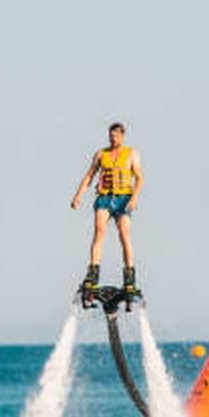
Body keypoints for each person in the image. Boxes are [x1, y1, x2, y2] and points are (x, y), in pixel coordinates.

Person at [70, 122, 143, 304]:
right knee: (99, 232)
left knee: (124, 233)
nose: (113, 139)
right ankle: (93, 274)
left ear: (122, 136)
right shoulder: (101, 154)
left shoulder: (131, 154)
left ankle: (129, 277)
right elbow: (89, 176)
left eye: (116, 136)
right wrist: (78, 195)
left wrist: (134, 198)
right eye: (111, 136)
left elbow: (139, 178)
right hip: (104, 198)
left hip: (123, 198)